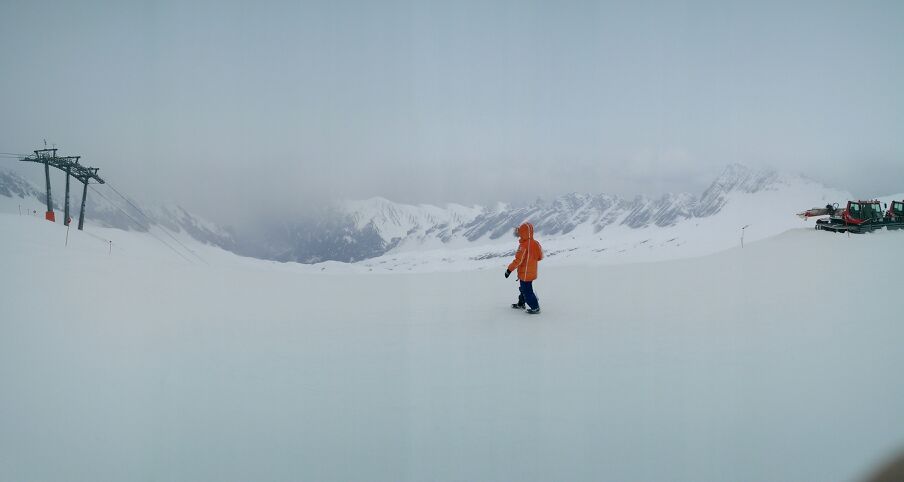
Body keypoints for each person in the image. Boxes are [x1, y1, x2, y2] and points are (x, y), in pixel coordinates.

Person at [504, 222, 543, 314]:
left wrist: (509, 270)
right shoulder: (536, 243)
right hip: (532, 272)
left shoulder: (523, 246)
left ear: (523, 233)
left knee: (527, 291)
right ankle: (521, 303)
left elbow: (518, 260)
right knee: (523, 288)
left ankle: (535, 307)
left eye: (520, 232)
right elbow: (540, 256)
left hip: (525, 273)